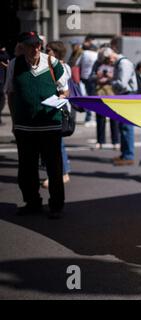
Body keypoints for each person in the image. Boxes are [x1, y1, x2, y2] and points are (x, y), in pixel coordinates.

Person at [5, 32, 67, 219]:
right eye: (31, 45)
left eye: (38, 45)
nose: (35, 49)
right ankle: (32, 202)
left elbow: (64, 91)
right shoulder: (15, 64)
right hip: (25, 127)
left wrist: (59, 100)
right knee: (26, 169)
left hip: (50, 125)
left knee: (54, 169)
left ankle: (56, 205)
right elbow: (10, 93)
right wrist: (15, 122)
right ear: (22, 46)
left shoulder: (52, 63)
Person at [42, 41, 73, 188]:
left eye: (48, 50)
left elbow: (63, 91)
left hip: (58, 108)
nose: (45, 52)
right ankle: (59, 172)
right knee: (52, 143)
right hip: (51, 107)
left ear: (56, 52)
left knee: (57, 143)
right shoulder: (52, 65)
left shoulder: (61, 67)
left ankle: (63, 174)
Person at [102, 47, 138, 166]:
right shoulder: (120, 63)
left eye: (107, 61)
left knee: (126, 126)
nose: (109, 64)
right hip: (124, 96)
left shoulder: (123, 63)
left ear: (111, 56)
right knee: (123, 125)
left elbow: (122, 84)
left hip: (127, 95)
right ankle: (124, 154)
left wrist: (110, 81)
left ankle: (128, 155)